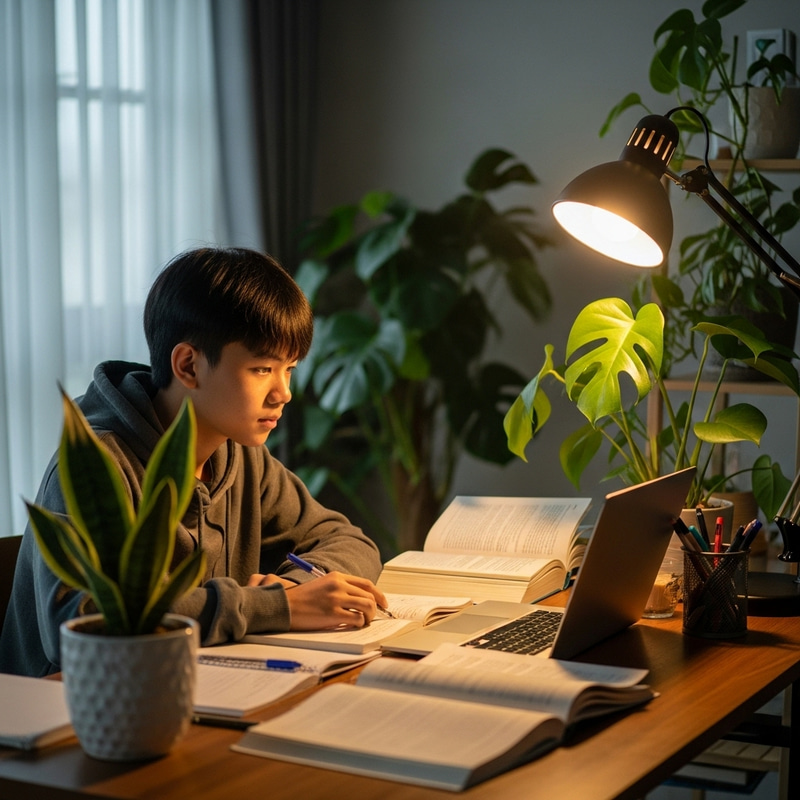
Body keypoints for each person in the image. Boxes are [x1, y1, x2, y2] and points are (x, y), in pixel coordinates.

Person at [0, 246, 386, 677]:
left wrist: (296, 590)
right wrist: (271, 607)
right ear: (188, 365)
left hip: (199, 685)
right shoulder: (98, 467)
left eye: (289, 369)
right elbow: (80, 623)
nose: (283, 393)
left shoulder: (241, 454)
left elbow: (348, 540)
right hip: (72, 717)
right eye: (262, 369)